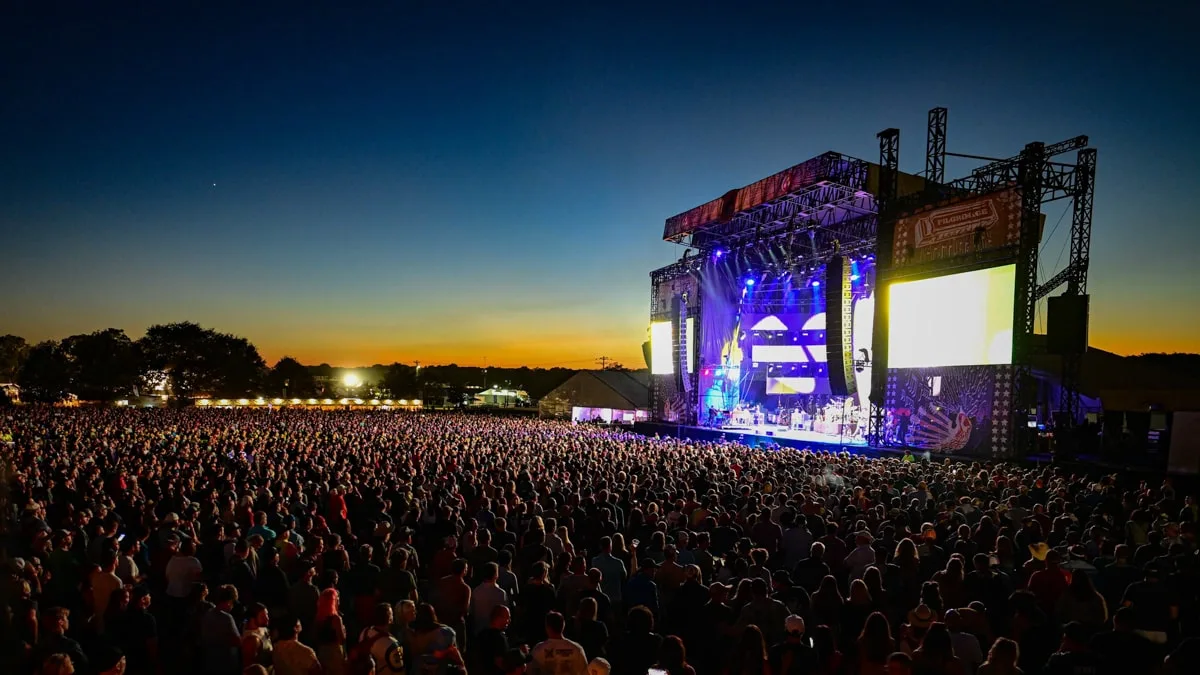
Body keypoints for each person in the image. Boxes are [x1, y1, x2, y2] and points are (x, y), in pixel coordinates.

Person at [355, 603, 407, 675]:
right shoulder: (391, 645)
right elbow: (399, 671)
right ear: (390, 619)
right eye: (391, 614)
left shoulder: (365, 632)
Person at [200, 585, 241, 675]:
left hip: (210, 661)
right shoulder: (227, 618)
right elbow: (237, 641)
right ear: (229, 601)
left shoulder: (208, 614)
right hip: (226, 663)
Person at [315, 588, 348, 675]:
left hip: (322, 651)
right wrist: (344, 630)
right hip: (334, 652)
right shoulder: (336, 619)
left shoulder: (319, 618)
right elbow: (341, 639)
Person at [241, 603, 274, 671]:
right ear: (252, 619)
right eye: (262, 616)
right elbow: (249, 668)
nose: (267, 618)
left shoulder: (261, 627)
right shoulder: (251, 640)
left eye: (267, 614)